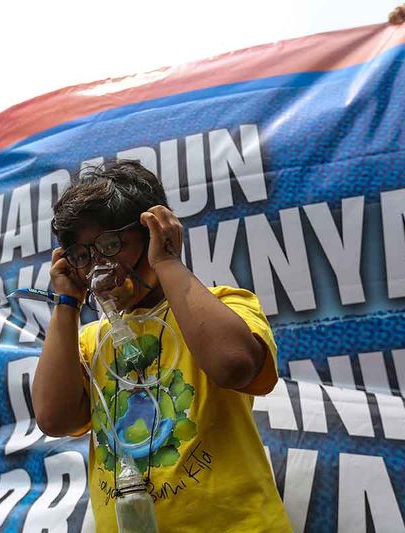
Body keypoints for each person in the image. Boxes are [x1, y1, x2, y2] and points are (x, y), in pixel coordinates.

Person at [32, 161, 290, 531]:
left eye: (110, 244)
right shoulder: (92, 341)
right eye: (84, 256)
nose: (99, 267)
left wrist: (166, 260)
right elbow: (55, 418)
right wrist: (66, 304)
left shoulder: (223, 304)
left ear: (152, 229)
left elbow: (234, 364)